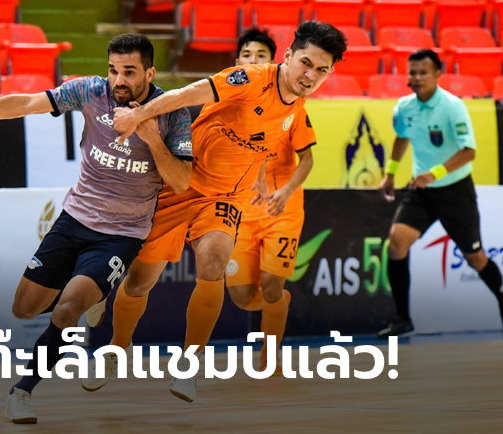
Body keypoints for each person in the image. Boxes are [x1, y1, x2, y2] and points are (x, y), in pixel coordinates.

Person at [0, 33, 193, 423]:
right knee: (24, 308)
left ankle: (22, 392)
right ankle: (94, 293)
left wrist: (151, 138)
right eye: (113, 70)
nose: (119, 80)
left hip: (122, 234)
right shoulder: (90, 91)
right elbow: (27, 103)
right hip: (75, 218)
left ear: (150, 73)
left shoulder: (171, 112)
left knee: (66, 310)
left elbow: (181, 181)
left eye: (129, 72)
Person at [81, 21, 346, 402]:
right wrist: (139, 116)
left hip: (226, 197)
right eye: (306, 63)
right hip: (182, 183)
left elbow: (259, 140)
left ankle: (189, 364)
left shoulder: (298, 106)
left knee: (213, 264)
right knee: (139, 282)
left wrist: (257, 175)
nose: (311, 76)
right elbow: (189, 93)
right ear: (288, 56)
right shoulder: (250, 78)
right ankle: (118, 347)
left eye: (321, 70)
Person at [378, 49, 503, 338]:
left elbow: (469, 151)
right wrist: (390, 173)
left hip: (455, 190)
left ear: (437, 74)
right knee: (396, 243)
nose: (417, 78)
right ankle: (402, 319)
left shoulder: (452, 106)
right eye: (412, 72)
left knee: (475, 257)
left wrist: (434, 174)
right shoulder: (404, 107)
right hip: (421, 191)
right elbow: (401, 137)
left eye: (423, 72)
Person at [224, 28, 316, 371]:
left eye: (260, 55)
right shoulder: (224, 103)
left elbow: (307, 159)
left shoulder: (292, 105)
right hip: (240, 213)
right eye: (246, 55)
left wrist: (285, 191)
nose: (253, 60)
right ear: (237, 62)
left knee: (271, 286)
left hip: (281, 210)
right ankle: (278, 303)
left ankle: (270, 353)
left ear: (275, 61)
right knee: (242, 297)